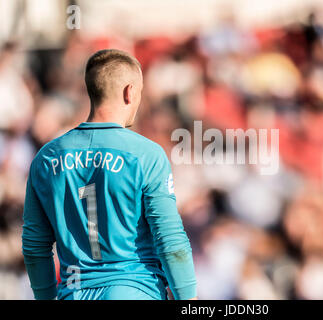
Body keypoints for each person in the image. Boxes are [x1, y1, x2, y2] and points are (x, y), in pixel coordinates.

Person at [21, 49, 197, 300]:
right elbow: (169, 239)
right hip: (134, 290)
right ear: (130, 91)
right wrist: (189, 299)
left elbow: (35, 247)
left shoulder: (46, 158)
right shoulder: (145, 154)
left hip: (73, 292)